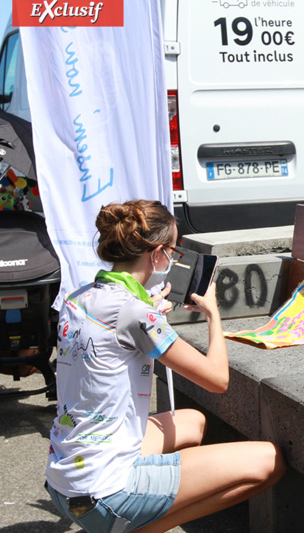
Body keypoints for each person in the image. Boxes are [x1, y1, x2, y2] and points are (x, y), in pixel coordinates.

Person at [44, 199, 285, 533]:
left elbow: (115, 331)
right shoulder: (136, 315)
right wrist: (214, 314)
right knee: (270, 462)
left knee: (193, 423)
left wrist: (149, 313)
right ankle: (137, 528)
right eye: (172, 251)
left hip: (63, 478)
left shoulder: (78, 298)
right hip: (105, 492)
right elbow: (217, 379)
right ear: (157, 254)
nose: (172, 259)